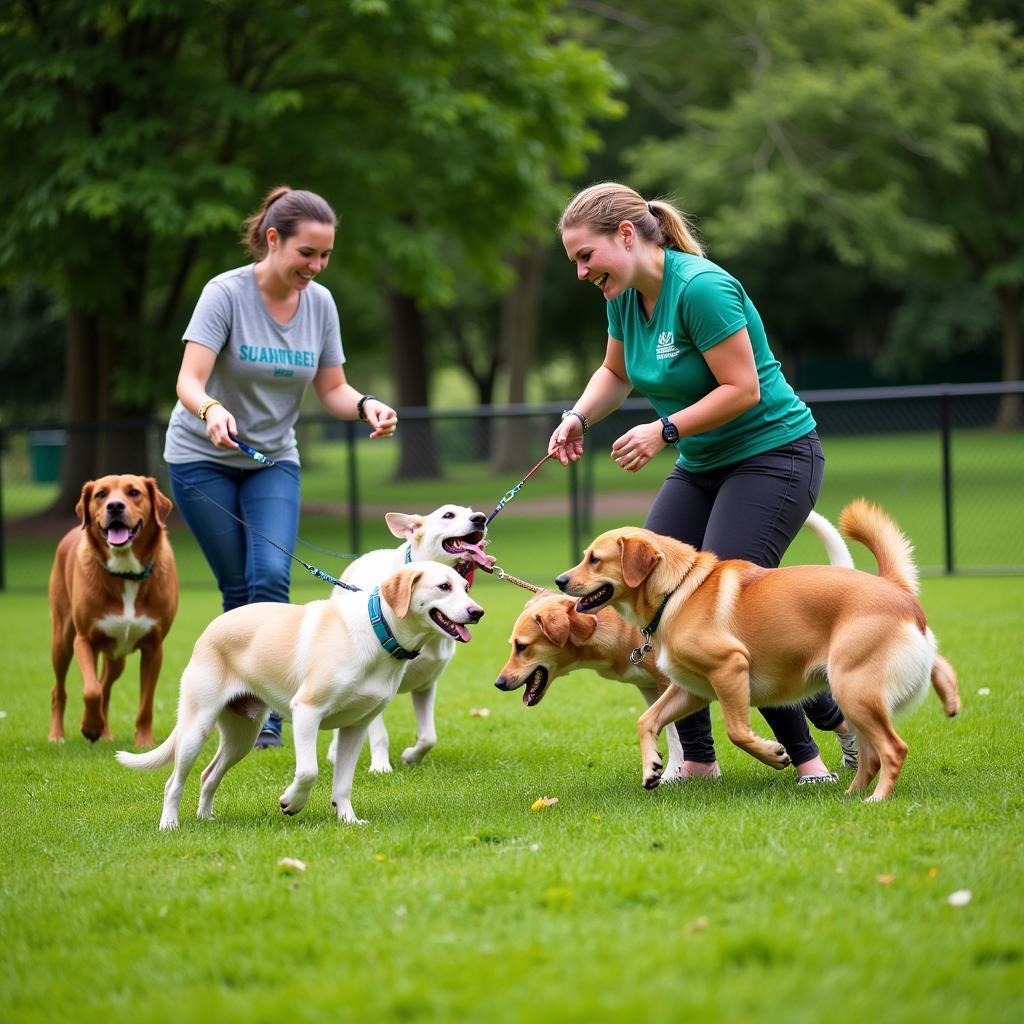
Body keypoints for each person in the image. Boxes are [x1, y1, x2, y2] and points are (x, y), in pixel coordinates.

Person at [548, 181, 858, 783]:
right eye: (574, 261)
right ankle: (697, 761)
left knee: (730, 617)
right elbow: (615, 371)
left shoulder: (701, 289)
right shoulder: (623, 296)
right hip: (704, 460)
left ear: (627, 235)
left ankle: (816, 755)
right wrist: (577, 416)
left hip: (774, 455)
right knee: (650, 601)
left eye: (586, 257)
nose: (582, 272)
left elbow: (742, 389)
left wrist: (663, 431)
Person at [164, 186, 398, 748]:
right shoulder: (225, 293)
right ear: (274, 240)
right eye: (307, 254)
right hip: (200, 458)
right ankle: (241, 702)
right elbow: (188, 381)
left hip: (272, 460)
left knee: (269, 575)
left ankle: (271, 713)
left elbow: (333, 388)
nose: (315, 267)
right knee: (238, 587)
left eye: (325, 256)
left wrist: (366, 405)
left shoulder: (319, 304)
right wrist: (211, 409)